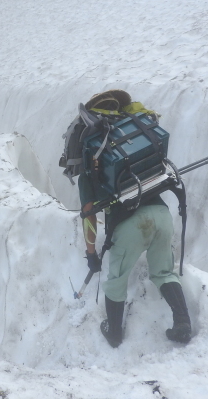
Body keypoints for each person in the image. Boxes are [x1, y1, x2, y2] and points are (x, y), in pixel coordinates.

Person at [79, 90, 191, 347]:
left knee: (117, 280)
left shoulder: (92, 164)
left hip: (130, 225)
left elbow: (88, 213)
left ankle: (114, 332)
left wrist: (91, 254)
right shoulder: (138, 141)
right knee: (163, 272)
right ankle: (183, 322)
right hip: (162, 215)